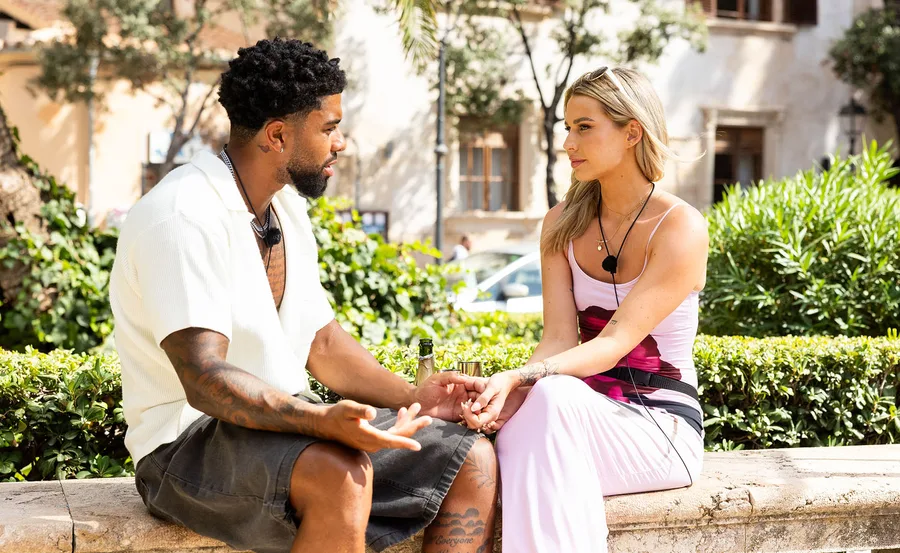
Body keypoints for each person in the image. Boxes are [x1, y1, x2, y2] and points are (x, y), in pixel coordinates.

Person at [110, 38, 497, 553]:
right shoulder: (183, 214)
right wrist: (318, 421)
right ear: (276, 135)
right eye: (329, 128)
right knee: (339, 475)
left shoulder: (284, 210)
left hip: (286, 427)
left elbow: (324, 344)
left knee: (470, 459)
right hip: (184, 447)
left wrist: (412, 397)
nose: (340, 143)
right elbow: (203, 380)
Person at [461, 66, 708, 552]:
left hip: (661, 427)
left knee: (550, 397)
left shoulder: (681, 227)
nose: (568, 142)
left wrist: (518, 378)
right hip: (577, 417)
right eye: (567, 129)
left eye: (585, 127)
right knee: (520, 414)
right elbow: (557, 339)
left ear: (632, 131)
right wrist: (505, 396)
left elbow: (614, 344)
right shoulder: (561, 223)